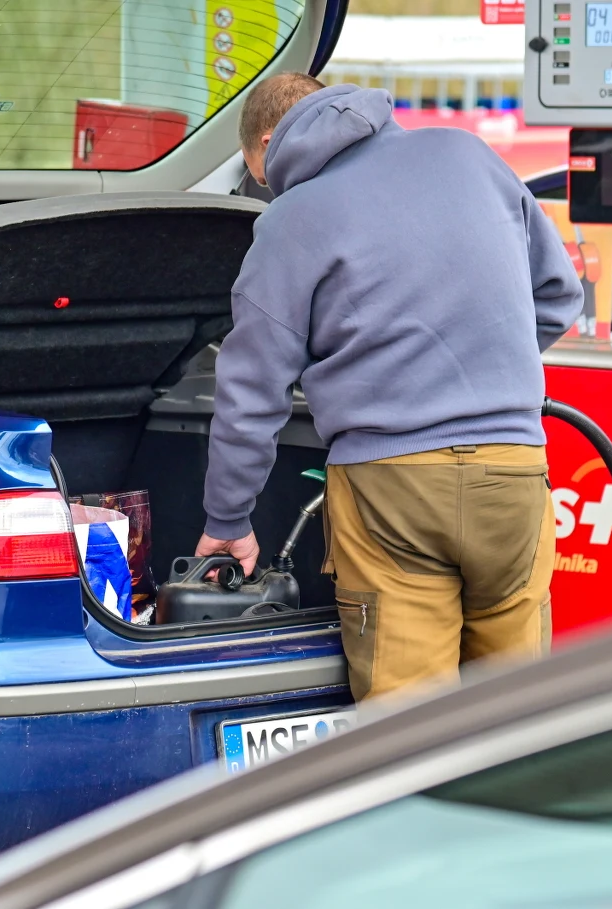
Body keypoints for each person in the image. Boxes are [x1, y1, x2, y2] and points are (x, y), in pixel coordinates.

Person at [195, 74, 584, 701]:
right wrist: (473, 369)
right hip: (515, 473)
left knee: (408, 728)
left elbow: (250, 393)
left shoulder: (296, 216)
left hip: (391, 485)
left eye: (255, 171)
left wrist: (228, 518)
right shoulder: (470, 156)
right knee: (517, 718)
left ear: (267, 142)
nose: (263, 185)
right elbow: (560, 295)